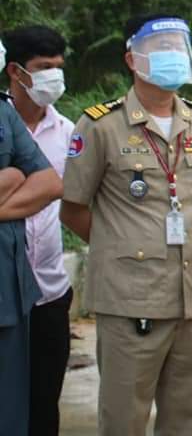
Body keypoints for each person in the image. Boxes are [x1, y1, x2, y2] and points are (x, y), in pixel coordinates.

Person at [59, 14, 192, 436]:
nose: (173, 56)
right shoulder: (101, 124)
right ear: (132, 59)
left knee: (189, 418)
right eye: (162, 49)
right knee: (124, 417)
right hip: (131, 301)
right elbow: (73, 208)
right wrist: (120, 248)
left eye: (178, 47)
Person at [3, 25, 75, 436]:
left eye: (58, 67)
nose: (54, 77)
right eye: (44, 67)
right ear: (15, 71)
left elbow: (63, 194)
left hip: (49, 292)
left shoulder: (69, 133)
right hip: (3, 293)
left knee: (44, 405)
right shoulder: (2, 123)